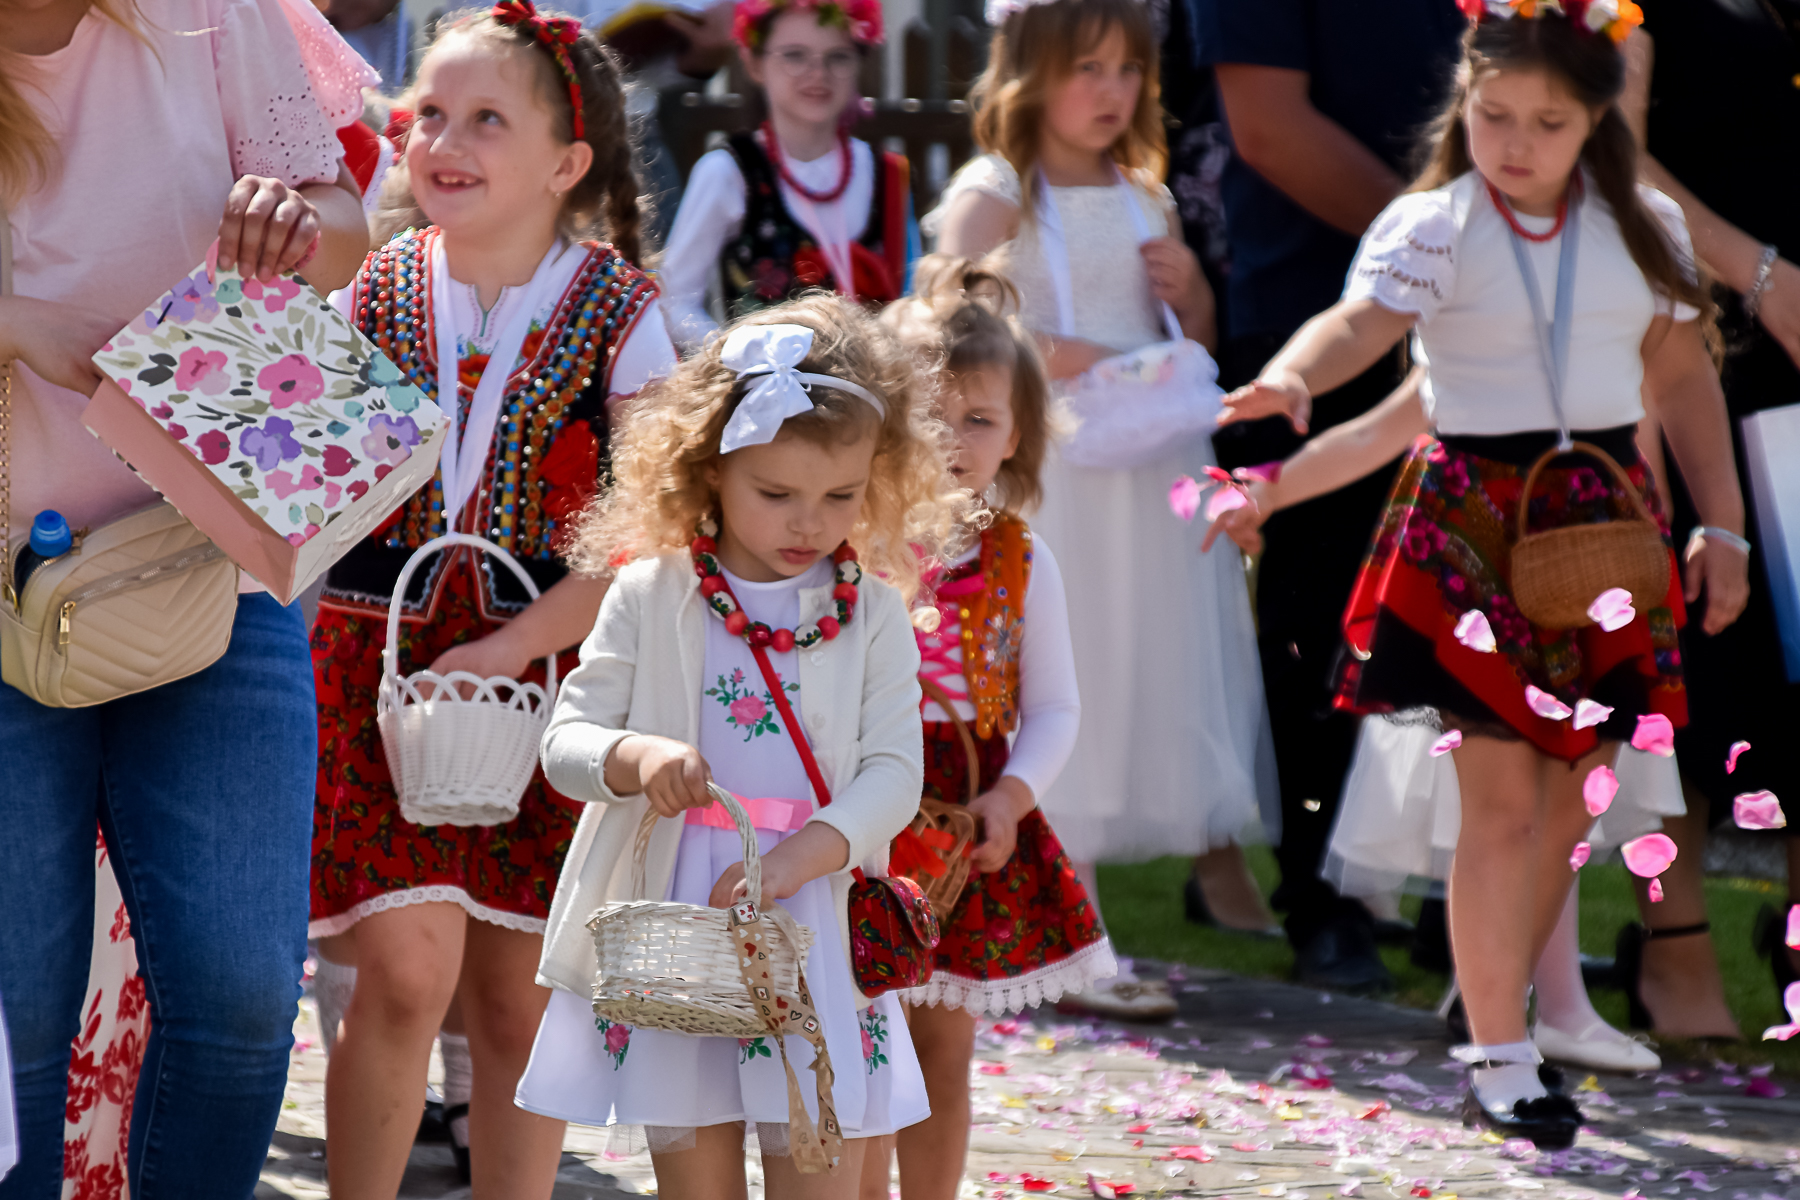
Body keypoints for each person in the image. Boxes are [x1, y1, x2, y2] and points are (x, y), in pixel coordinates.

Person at [1212, 0, 1747, 1144]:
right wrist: (1295, 378)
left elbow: (1683, 382)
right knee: (1501, 799)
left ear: (1597, 118)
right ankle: (1502, 1052)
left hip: (1601, 514)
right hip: (1472, 520)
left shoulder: (1643, 226)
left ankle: (1509, 1018)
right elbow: (1358, 326)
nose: (1515, 144)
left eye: (1548, 123)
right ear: (1465, 101)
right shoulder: (1435, 225)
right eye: (1494, 115)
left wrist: (1729, 528)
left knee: (1573, 795)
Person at [305, 5, 677, 1195]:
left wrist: (518, 643)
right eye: (428, 114)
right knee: (404, 975)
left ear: (567, 165)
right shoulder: (369, 286)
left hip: (551, 677)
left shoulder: (622, 312)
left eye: (484, 120)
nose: (443, 141)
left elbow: (648, 529)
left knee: (519, 1007)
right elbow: (305, 475)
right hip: (379, 670)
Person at [0, 0, 369, 1192]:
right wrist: (20, 325)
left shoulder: (213, 10)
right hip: (3, 596)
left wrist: (293, 227)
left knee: (245, 1001)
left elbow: (343, 224)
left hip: (215, 551)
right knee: (16, 1020)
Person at [515, 294, 960, 1197]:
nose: (810, 523)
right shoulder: (652, 593)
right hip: (682, 923)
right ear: (709, 468)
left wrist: (804, 856)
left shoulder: (873, 613)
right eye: (776, 493)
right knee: (695, 1175)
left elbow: (893, 774)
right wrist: (638, 758)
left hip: (812, 915)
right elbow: (566, 740)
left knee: (817, 1168)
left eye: (840, 497)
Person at [928, 0, 1275, 1020]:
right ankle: (1068, 921)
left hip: (1148, 470)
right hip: (1063, 474)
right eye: (1087, 68)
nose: (1112, 90)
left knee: (1137, 669)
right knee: (1057, 666)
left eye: (1128, 70)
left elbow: (1181, 335)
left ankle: (1091, 909)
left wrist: (1192, 293)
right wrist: (1064, 352)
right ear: (1030, 70)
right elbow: (947, 310)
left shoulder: (1144, 196)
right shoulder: (999, 191)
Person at [1196, 0, 1467, 993]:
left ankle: (1462, 903)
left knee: (1462, 621)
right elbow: (1268, 125)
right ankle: (1324, 900)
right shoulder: (1454, 239)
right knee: (1321, 624)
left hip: (1482, 331)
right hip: (1315, 317)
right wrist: (1458, 250)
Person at [871, 257, 1115, 1200]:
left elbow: (1054, 705)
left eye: (978, 419)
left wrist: (1012, 797)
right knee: (864, 1030)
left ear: (1017, 435)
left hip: (964, 816)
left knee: (941, 1040)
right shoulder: (848, 544)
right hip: (861, 804)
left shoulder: (1021, 559)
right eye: (929, 416)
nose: (952, 439)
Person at [1607, 2, 1800, 1038]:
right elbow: (1610, 151)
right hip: (1702, 342)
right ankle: (1674, 953)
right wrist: (1763, 279)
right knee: (1688, 660)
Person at [655, 0, 916, 352]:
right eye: (795, 55)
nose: (818, 72)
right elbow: (674, 302)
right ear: (754, 62)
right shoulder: (728, 172)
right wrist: (736, 357)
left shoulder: (886, 173)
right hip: (761, 381)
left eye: (838, 56)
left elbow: (913, 300)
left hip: (871, 382)